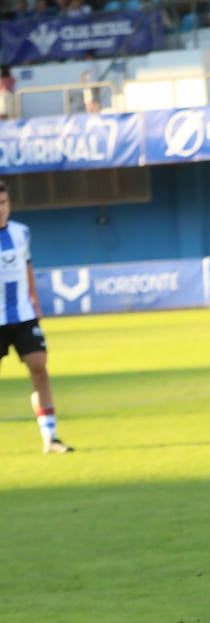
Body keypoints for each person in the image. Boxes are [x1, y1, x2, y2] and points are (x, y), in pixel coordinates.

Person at [0, 181, 72, 454]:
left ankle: (50, 438)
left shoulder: (21, 233)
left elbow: (26, 265)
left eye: (4, 203)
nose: (1, 209)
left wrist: (34, 299)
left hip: (23, 315)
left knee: (39, 368)